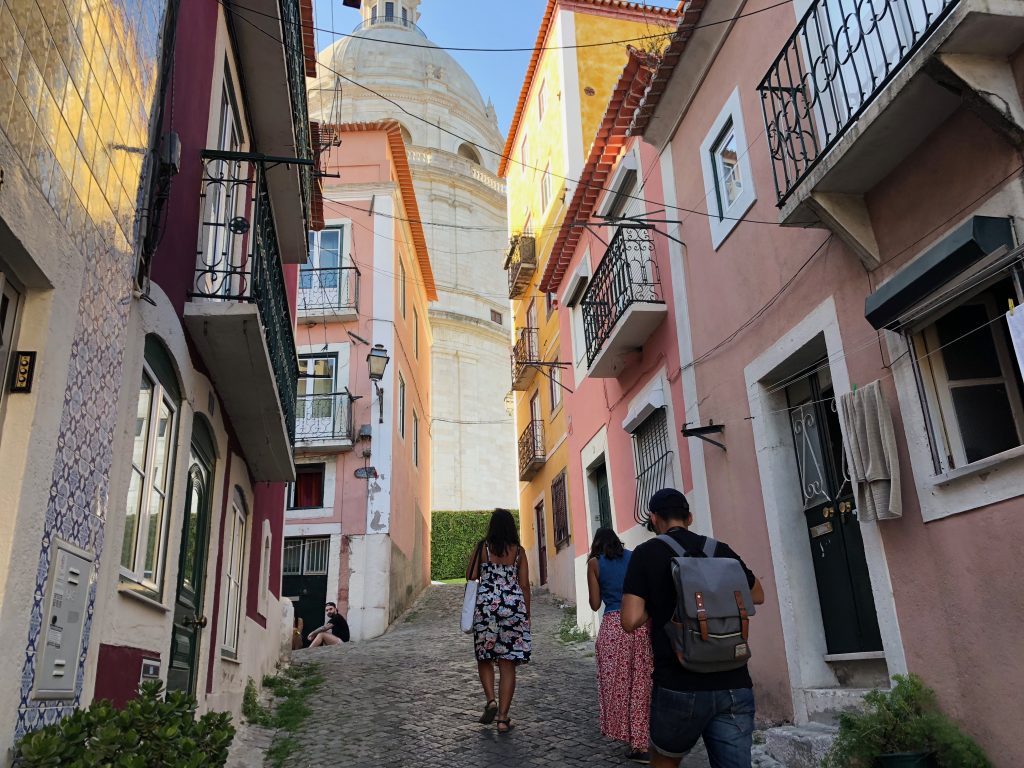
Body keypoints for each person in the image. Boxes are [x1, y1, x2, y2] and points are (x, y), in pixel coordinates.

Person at [621, 489, 765, 768]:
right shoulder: (719, 549)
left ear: (653, 518)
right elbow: (757, 595)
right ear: (689, 517)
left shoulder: (646, 554)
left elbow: (630, 620)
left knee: (665, 763)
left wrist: (660, 600)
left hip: (678, 683)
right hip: (734, 682)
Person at [588, 527, 653, 764]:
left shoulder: (595, 564)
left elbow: (595, 604)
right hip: (639, 623)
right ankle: (641, 743)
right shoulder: (635, 556)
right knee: (640, 684)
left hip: (614, 627)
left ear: (596, 545)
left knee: (616, 684)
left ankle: (631, 738)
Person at [466, 508, 531, 734]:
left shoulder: (482, 547)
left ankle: (491, 701)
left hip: (486, 609)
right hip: (512, 608)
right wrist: (526, 615)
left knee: (484, 656)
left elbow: (470, 576)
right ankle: (502, 719)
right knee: (507, 664)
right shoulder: (519, 552)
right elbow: (524, 585)